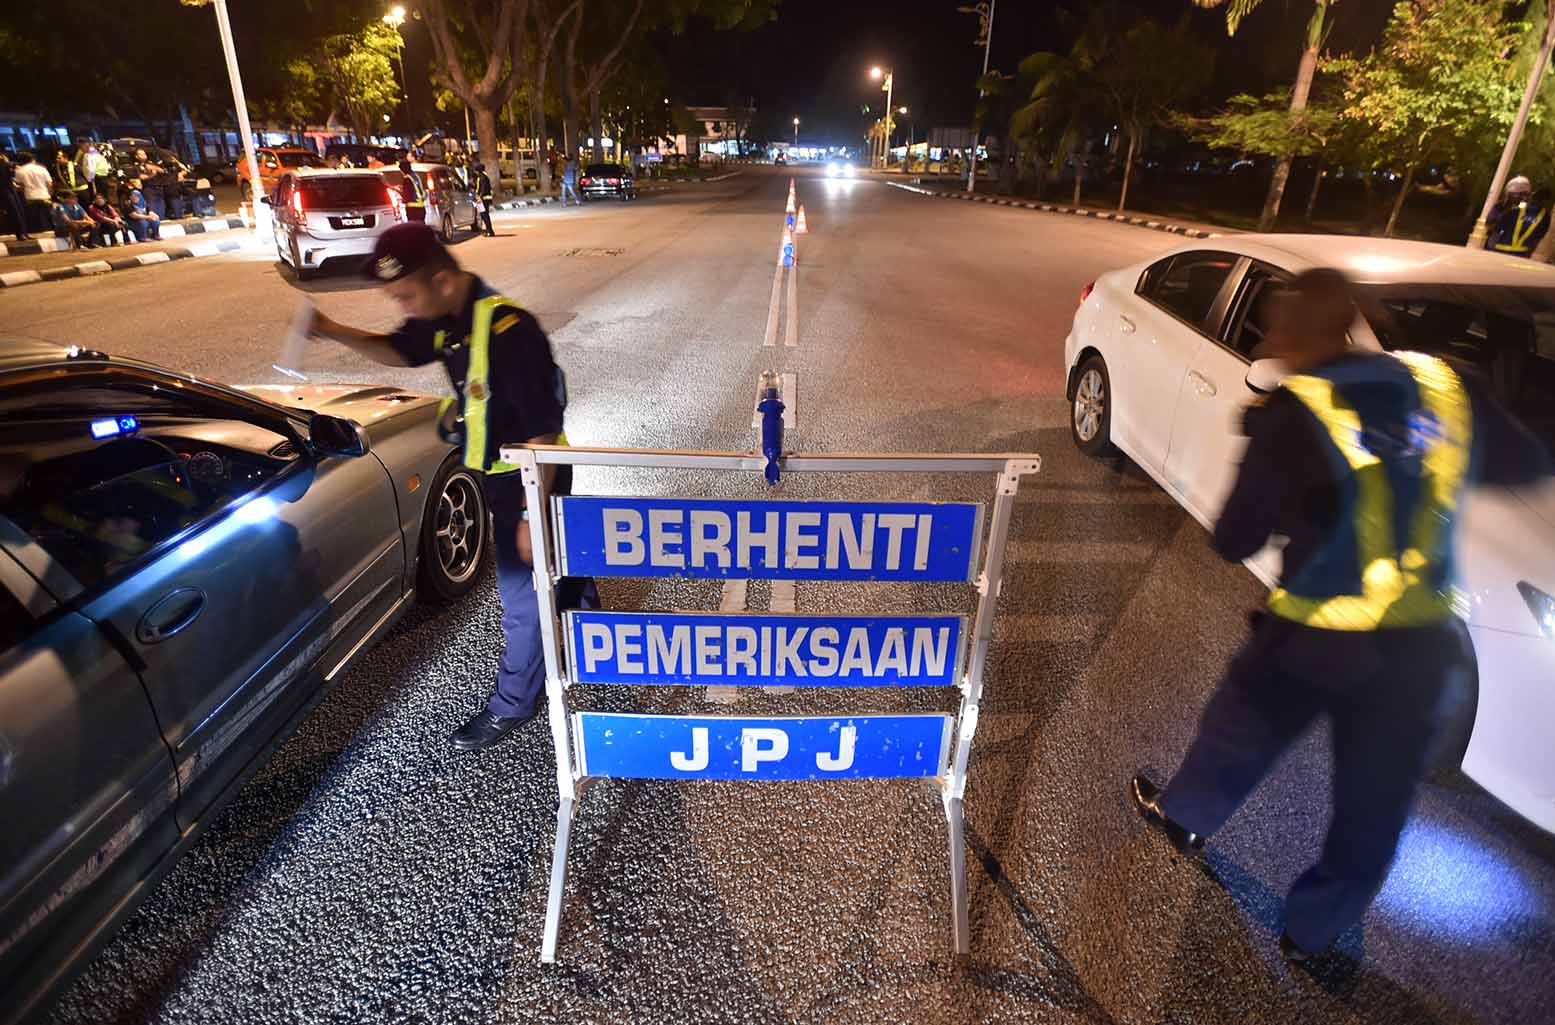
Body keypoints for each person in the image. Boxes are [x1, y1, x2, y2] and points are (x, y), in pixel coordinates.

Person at [1129, 268, 1552, 963]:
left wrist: (1263, 452)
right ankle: (1312, 932)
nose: (1272, 339)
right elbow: (1526, 463)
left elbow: (1234, 537)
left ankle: (1184, 817)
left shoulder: (1295, 411)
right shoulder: (1443, 389)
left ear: (1297, 334)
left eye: (1275, 327)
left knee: (1236, 734)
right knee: (1373, 801)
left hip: (1309, 638)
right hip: (1416, 649)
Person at [306, 223, 597, 751]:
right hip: (504, 474)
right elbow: (401, 350)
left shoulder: (510, 332)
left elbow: (542, 431)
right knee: (553, 566)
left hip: (530, 477)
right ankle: (580, 595)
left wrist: (532, 513)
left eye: (407, 295)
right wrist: (330, 329)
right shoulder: (447, 319)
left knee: (521, 597)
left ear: (442, 280)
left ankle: (515, 702)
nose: (404, 307)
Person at [1491, 185, 1550, 257]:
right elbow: (1538, 237)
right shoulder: (1545, 217)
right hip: (1522, 253)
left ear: (1533, 196)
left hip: (1501, 248)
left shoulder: (1516, 210)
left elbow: (1497, 228)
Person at [15, 152, 53, 235]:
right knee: (47, 218)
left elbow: (20, 186)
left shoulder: (19, 171)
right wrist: (50, 195)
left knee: (35, 221)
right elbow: (49, 184)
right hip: (44, 196)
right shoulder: (42, 169)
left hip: (30, 197)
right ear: (33, 159)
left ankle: (38, 234)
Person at [0, 152, 30, 241]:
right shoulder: (3, 163)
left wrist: (10, 165)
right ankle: (20, 234)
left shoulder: (5, 163)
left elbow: (10, 174)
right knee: (14, 211)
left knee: (20, 210)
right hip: (4, 189)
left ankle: (24, 232)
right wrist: (8, 164)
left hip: (10, 188)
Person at [397, 157, 427, 223]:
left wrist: (400, 192)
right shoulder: (416, 176)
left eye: (400, 169)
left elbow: (407, 195)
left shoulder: (407, 179)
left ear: (403, 169)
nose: (400, 171)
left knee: (414, 230)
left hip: (412, 210)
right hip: (421, 208)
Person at [472, 161, 495, 236]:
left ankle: (489, 231)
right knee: (484, 215)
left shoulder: (482, 178)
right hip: (485, 198)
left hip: (483, 199)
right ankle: (489, 230)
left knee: (484, 215)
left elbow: (483, 189)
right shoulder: (484, 177)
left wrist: (479, 198)